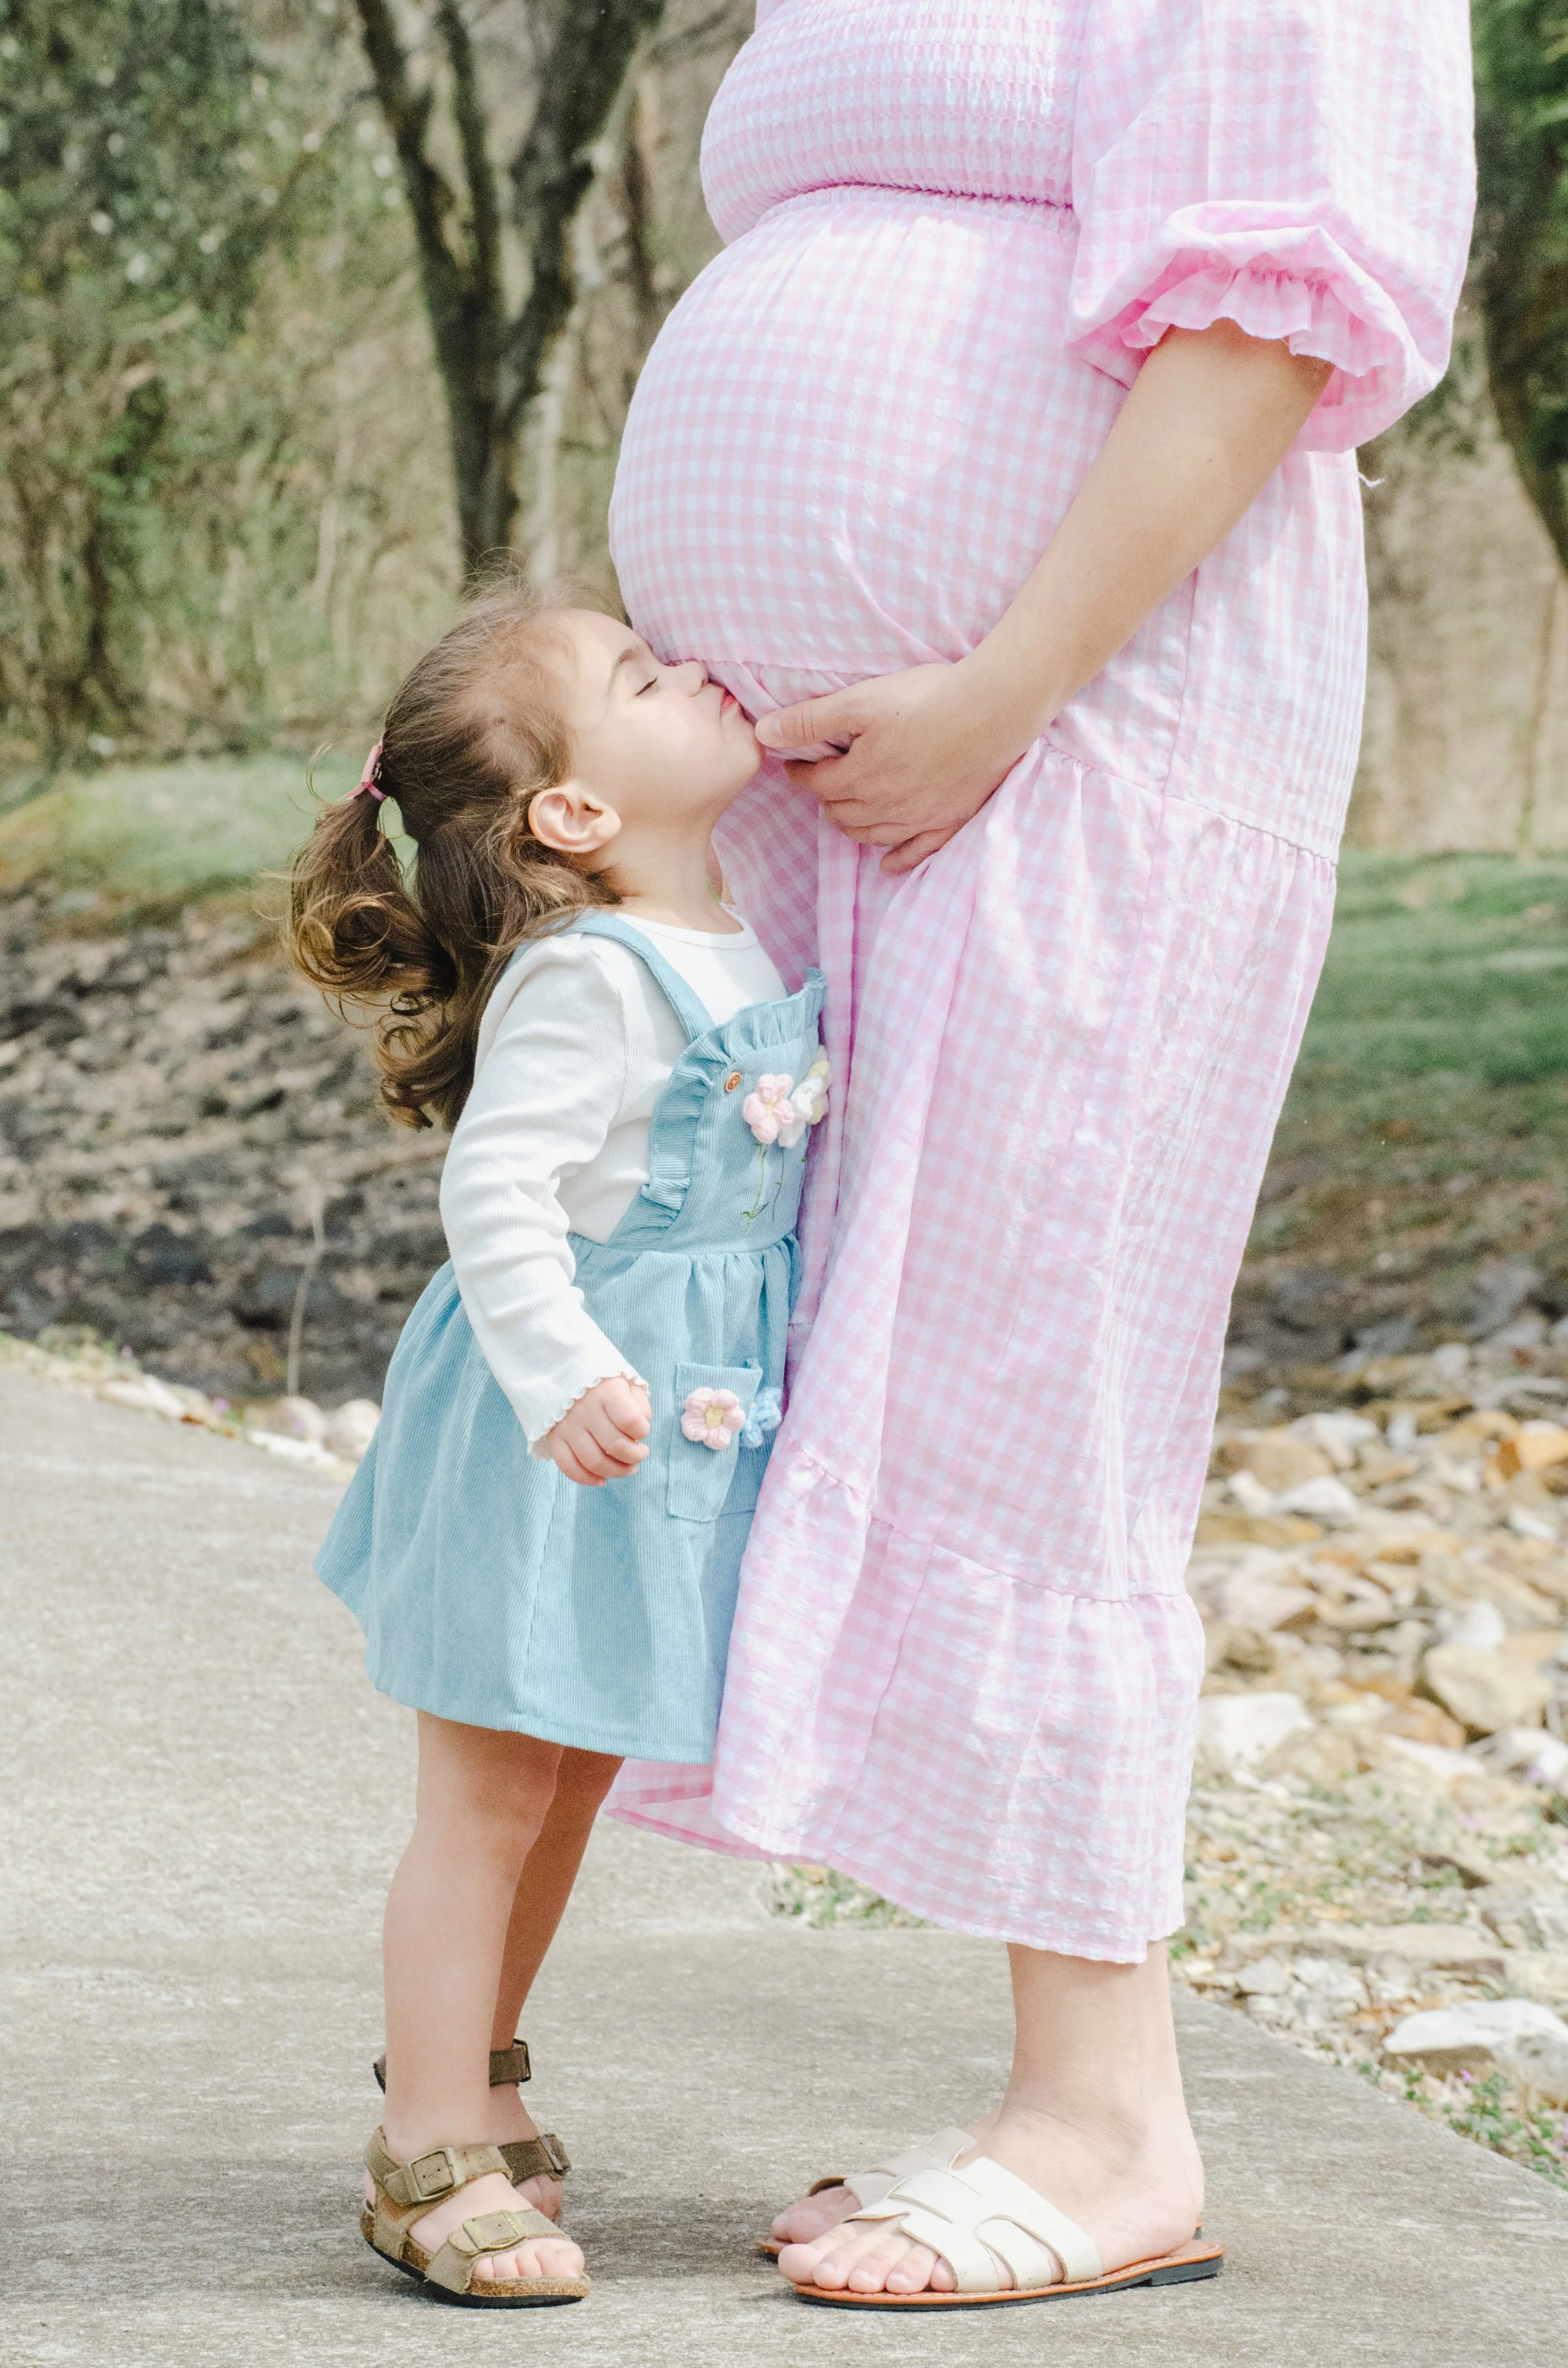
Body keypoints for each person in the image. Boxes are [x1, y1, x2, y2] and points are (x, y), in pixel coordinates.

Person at [605, 0, 1476, 2308]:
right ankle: (469, 2053)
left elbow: (1257, 316)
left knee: (1030, 1369)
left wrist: (1000, 684)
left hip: (1090, 725)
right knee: (777, 1342)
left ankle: (1107, 2124)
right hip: (814, 776)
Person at [285, 593, 827, 2307]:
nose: (698, 666)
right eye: (641, 679)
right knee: (486, 1798)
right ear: (573, 815)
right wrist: (563, 1372)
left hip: (660, 1440)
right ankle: (424, 2142)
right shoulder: (594, 972)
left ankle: (488, 2076)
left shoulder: (734, 926)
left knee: (571, 1784)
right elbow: (496, 1193)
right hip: (550, 1433)